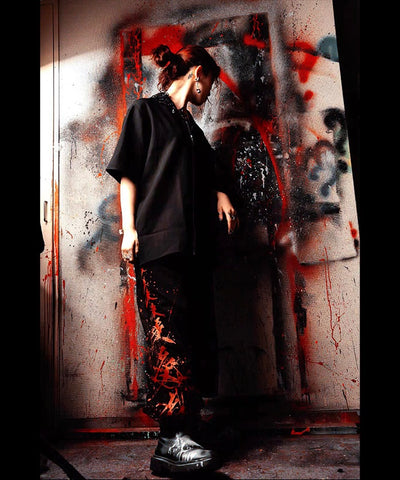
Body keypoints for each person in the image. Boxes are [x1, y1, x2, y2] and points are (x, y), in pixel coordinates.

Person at [106, 44, 239, 476]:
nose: (209, 93)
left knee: (194, 338)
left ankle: (191, 428)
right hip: (159, 245)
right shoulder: (145, 112)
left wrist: (220, 192)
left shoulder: (190, 129)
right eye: (210, 83)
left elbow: (206, 170)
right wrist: (129, 228)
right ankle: (170, 441)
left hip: (194, 250)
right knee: (168, 341)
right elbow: (128, 173)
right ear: (198, 73)